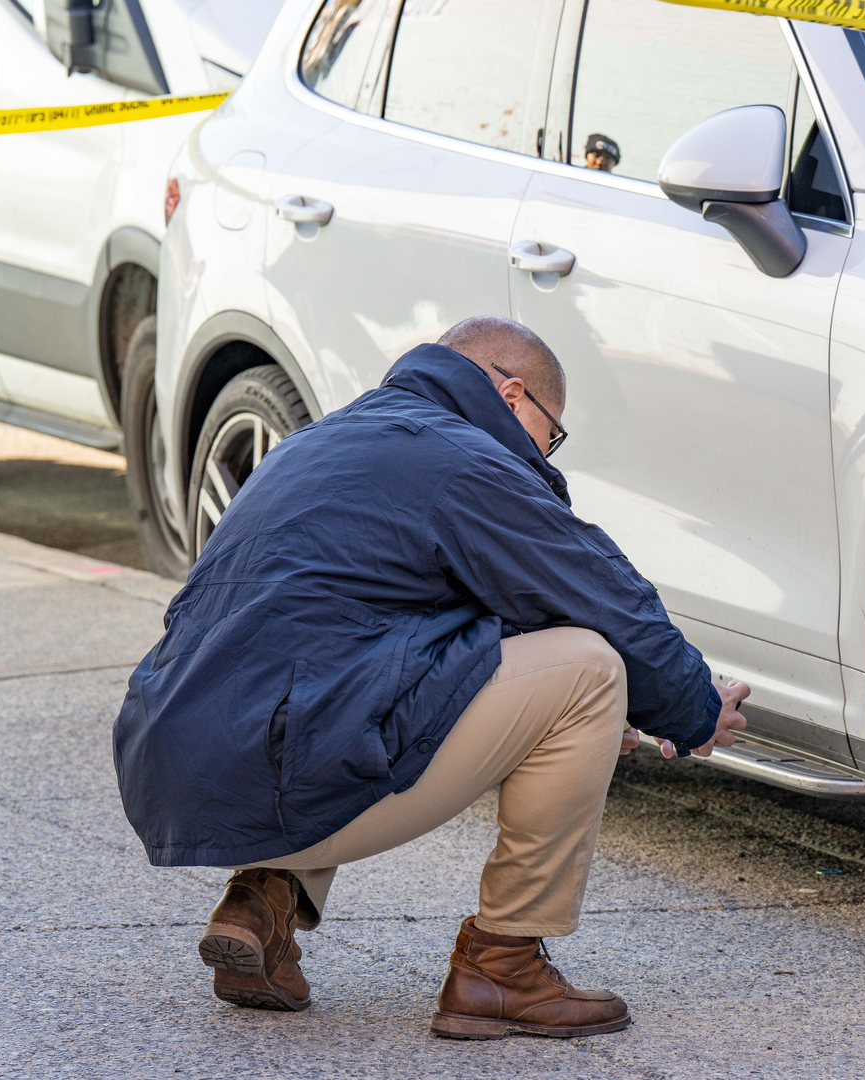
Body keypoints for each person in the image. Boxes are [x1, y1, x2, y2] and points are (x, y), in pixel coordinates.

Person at [112, 316, 748, 1039]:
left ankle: (261, 902)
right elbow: (602, 595)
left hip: (174, 762)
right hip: (281, 765)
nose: (545, 452)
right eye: (551, 432)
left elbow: (403, 626)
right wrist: (694, 711)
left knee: (336, 684)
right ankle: (502, 965)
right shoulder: (465, 458)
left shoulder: (319, 443)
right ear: (512, 396)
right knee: (591, 672)